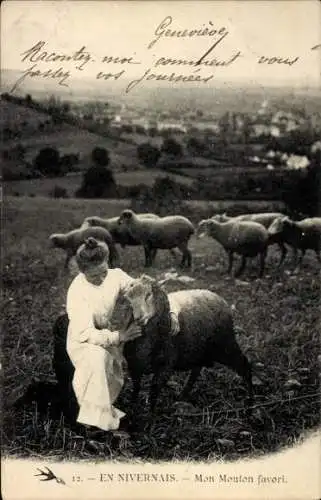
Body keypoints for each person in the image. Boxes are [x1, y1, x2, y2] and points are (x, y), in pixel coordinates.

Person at [66, 236, 179, 434]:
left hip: (107, 333)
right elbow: (84, 333)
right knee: (96, 359)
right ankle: (93, 424)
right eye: (94, 277)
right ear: (82, 272)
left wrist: (171, 312)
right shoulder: (77, 291)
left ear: (107, 263)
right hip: (83, 339)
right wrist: (120, 336)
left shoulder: (115, 275)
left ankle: (101, 410)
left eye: (103, 272)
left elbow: (149, 288)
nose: (101, 279)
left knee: (111, 373)